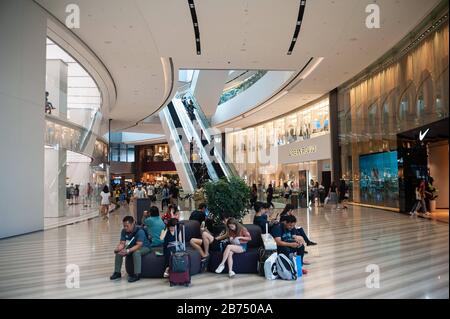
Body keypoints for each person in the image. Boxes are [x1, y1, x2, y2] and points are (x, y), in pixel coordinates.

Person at [110, 216, 152, 283]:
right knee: (119, 253)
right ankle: (117, 272)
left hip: (144, 247)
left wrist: (128, 251)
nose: (125, 228)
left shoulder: (140, 231)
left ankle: (137, 274)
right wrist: (118, 249)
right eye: (124, 226)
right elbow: (122, 243)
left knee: (136, 253)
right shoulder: (124, 231)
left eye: (127, 226)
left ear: (133, 224)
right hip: (132, 246)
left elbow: (139, 245)